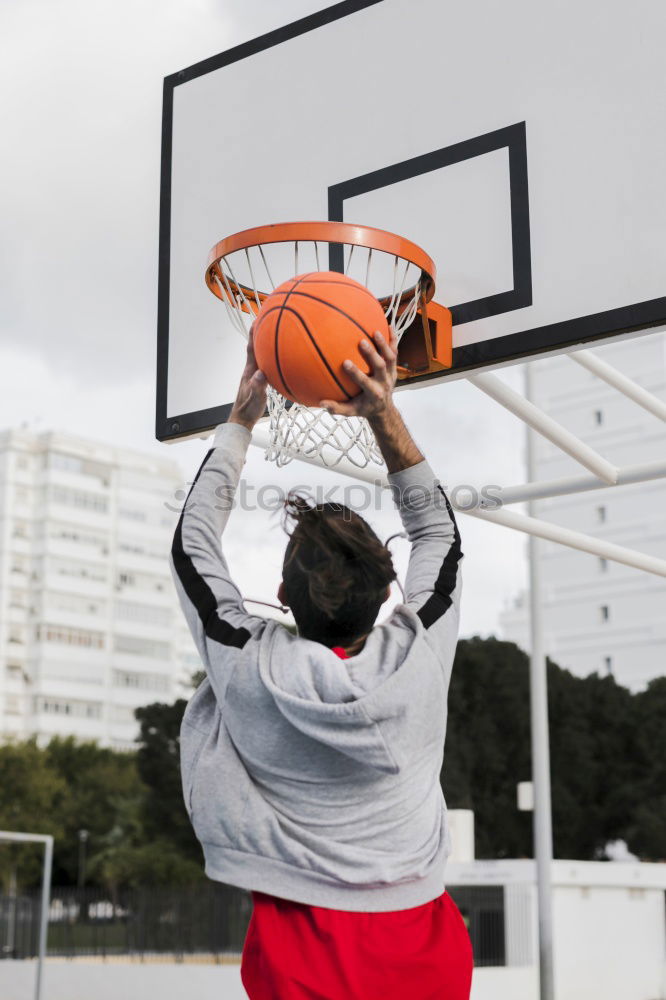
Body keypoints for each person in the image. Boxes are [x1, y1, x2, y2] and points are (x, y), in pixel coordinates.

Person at [170, 325, 472, 999]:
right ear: (390, 594)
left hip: (301, 956)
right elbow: (440, 534)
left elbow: (193, 548)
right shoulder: (419, 660)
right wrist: (381, 411)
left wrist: (241, 420)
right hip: (425, 952)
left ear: (281, 597)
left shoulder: (250, 669)